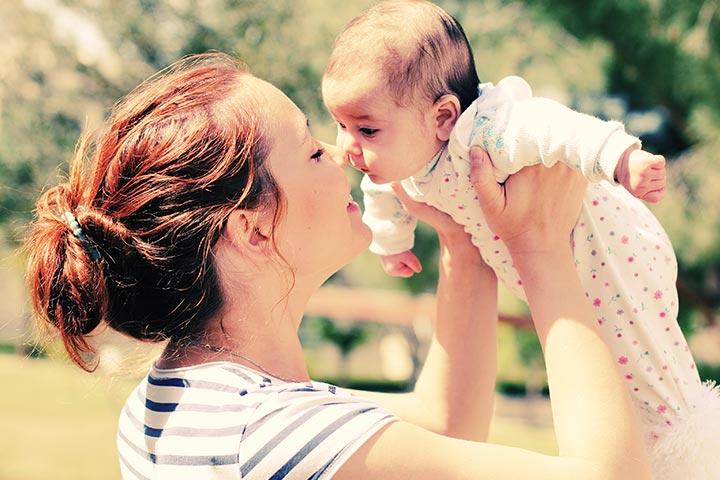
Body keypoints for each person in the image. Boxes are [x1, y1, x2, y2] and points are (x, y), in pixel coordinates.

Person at [25, 52, 650, 479]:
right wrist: (539, 250)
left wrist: (466, 240)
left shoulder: (181, 406)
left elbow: (444, 423)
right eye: (311, 149)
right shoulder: (269, 433)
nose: (343, 153)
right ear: (252, 229)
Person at [321, 2, 720, 478]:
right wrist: (392, 243)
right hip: (552, 265)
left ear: (444, 117)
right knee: (602, 376)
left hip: (609, 252)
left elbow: (557, 130)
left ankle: (690, 460)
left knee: (647, 365)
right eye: (341, 126)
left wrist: (620, 159)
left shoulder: (487, 131)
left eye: (365, 128)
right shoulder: (396, 157)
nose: (348, 146)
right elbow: (381, 193)